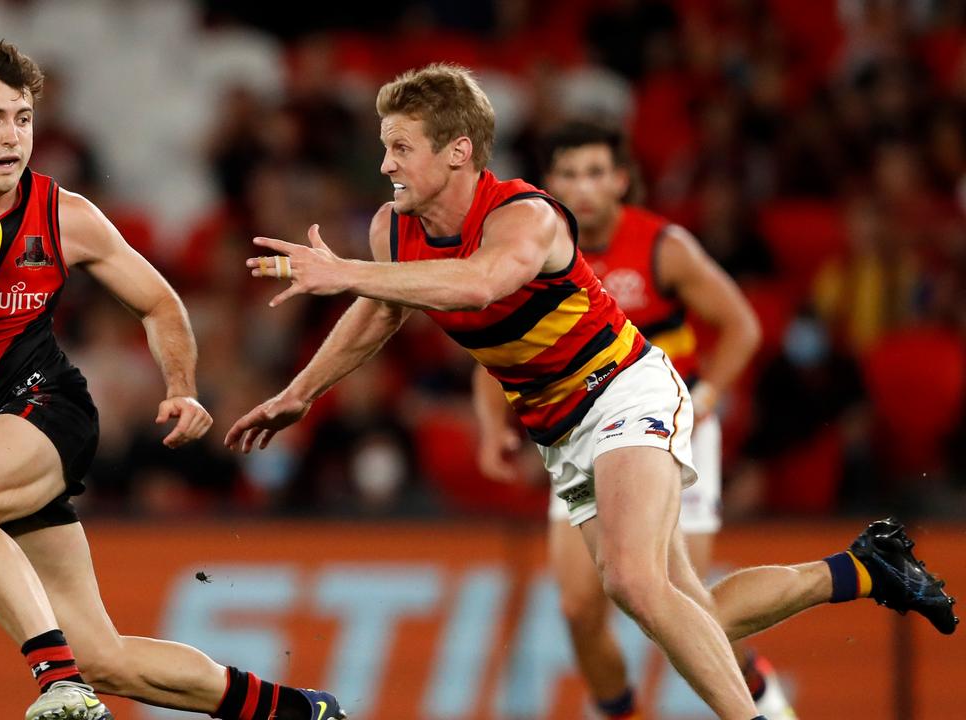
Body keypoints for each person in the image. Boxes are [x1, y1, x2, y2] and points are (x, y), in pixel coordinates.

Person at [224, 63, 957, 720]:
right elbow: (379, 314)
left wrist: (346, 270)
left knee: (634, 585)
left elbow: (479, 282)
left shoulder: (526, 216)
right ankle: (865, 568)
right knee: (679, 606)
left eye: (401, 147)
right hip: (561, 433)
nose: (384, 164)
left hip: (624, 390)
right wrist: (301, 393)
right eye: (385, 147)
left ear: (458, 151)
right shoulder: (395, 231)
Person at [0, 41, 345, 720]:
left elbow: (159, 301)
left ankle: (57, 683)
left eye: (22, 118)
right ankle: (298, 710)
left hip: (49, 407)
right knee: (103, 655)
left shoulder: (63, 214)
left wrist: (181, 385)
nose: (12, 135)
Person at [472, 120, 789, 719]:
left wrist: (712, 393)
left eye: (595, 173)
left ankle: (766, 702)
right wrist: (492, 427)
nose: (582, 188)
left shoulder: (661, 247)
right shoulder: (529, 247)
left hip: (665, 423)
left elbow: (741, 324)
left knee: (684, 605)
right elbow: (493, 341)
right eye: (568, 174)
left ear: (621, 180)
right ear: (549, 183)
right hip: (580, 430)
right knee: (578, 609)